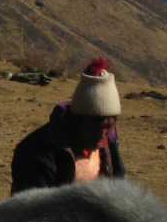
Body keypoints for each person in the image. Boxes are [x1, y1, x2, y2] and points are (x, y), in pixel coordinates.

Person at [9, 58, 126, 194]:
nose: (101, 135)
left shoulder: (109, 146)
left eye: (109, 127)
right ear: (76, 120)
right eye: (94, 128)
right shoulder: (36, 152)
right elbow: (31, 209)